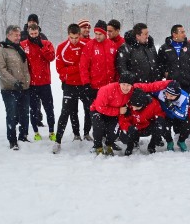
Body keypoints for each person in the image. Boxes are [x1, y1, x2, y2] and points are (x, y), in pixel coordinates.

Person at [89, 73, 170, 155]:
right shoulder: (106, 90)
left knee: (114, 131)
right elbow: (100, 107)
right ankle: (97, 146)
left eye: (128, 85)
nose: (125, 87)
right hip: (98, 111)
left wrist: (169, 83)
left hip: (116, 112)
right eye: (123, 84)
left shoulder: (133, 89)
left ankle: (109, 144)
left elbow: (151, 86)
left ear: (132, 85)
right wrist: (118, 111)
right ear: (119, 83)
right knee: (98, 126)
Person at [53, 24, 91, 153]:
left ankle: (87, 133)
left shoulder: (86, 45)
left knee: (90, 109)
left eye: (76, 37)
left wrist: (78, 69)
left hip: (84, 84)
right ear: (68, 35)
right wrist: (78, 67)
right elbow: (60, 69)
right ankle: (59, 140)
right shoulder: (62, 47)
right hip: (69, 85)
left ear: (80, 35)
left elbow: (89, 66)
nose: (74, 40)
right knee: (67, 112)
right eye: (71, 37)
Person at [0, 25, 31, 150]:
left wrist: (27, 82)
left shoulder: (19, 48)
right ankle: (12, 140)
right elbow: (1, 70)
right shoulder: (2, 50)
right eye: (15, 35)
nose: (18, 37)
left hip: (24, 87)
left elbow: (25, 68)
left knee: (24, 114)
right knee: (12, 115)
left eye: (19, 35)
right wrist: (14, 82)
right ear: (8, 35)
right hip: (9, 89)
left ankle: (23, 136)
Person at [20, 24, 56, 142]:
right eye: (32, 34)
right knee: (34, 109)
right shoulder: (24, 44)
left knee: (49, 108)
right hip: (32, 84)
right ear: (28, 33)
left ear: (39, 33)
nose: (34, 36)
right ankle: (36, 132)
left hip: (45, 82)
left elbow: (51, 57)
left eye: (36, 34)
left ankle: (51, 131)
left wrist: (42, 47)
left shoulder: (46, 43)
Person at [80, 19, 118, 115]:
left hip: (110, 87)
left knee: (109, 112)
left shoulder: (112, 46)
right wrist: (86, 84)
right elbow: (83, 67)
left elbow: (116, 66)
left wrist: (117, 82)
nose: (97, 36)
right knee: (95, 113)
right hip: (95, 87)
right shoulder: (89, 46)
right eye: (96, 33)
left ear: (105, 33)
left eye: (100, 34)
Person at [118, 88, 166, 155]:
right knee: (124, 136)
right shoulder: (127, 106)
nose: (134, 109)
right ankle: (130, 146)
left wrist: (159, 119)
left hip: (147, 126)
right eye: (133, 106)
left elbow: (159, 113)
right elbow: (123, 121)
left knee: (159, 127)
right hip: (134, 128)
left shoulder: (153, 103)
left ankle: (152, 146)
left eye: (137, 107)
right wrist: (128, 127)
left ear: (143, 104)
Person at [157, 24, 190, 96]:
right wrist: (165, 73)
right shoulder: (164, 48)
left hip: (188, 84)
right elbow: (159, 64)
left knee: (189, 106)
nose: (184, 34)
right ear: (174, 34)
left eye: (184, 32)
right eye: (182, 32)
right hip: (171, 85)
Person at [154, 80, 190, 152]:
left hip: (179, 117)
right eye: (167, 94)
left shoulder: (184, 97)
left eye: (171, 96)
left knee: (188, 125)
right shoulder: (161, 92)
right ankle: (169, 142)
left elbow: (183, 115)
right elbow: (150, 92)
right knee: (162, 125)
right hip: (166, 116)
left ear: (178, 95)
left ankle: (181, 141)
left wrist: (173, 109)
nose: (168, 97)